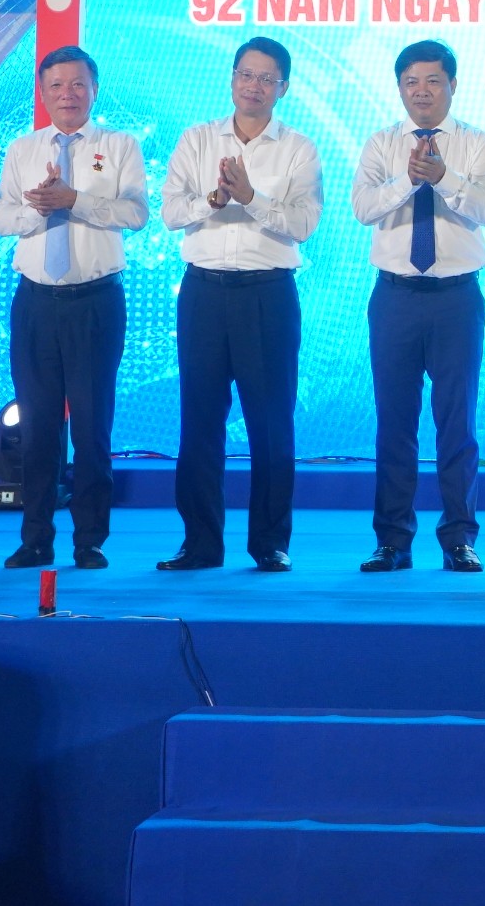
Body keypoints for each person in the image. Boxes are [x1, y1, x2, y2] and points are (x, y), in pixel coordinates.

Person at [159, 36, 321, 572]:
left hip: (267, 295)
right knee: (199, 420)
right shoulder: (198, 139)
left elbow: (303, 224)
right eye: (245, 74)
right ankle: (200, 542)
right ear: (231, 79)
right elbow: (171, 212)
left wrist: (251, 197)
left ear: (284, 88)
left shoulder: (298, 148)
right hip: (203, 293)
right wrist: (215, 199)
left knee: (270, 423)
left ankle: (270, 542)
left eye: (266, 78)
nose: (253, 86)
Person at [0, 45, 147, 571]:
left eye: (77, 84)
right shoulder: (22, 149)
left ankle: (90, 540)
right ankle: (35, 537)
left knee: (92, 425)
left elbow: (135, 213)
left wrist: (74, 200)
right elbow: (0, 219)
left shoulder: (119, 145)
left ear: (94, 89)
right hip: (34, 302)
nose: (67, 95)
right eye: (56, 86)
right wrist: (41, 210)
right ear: (42, 92)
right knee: (37, 426)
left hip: (96, 302)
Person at [350, 40, 485, 573]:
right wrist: (408, 180)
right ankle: (392, 541)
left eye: (433, 81)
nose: (422, 92)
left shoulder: (476, 144)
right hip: (394, 297)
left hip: (456, 299)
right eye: (412, 82)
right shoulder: (380, 144)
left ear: (452, 85)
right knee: (395, 421)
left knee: (456, 421)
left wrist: (444, 179)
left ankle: (459, 537)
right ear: (399, 88)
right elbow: (362, 208)